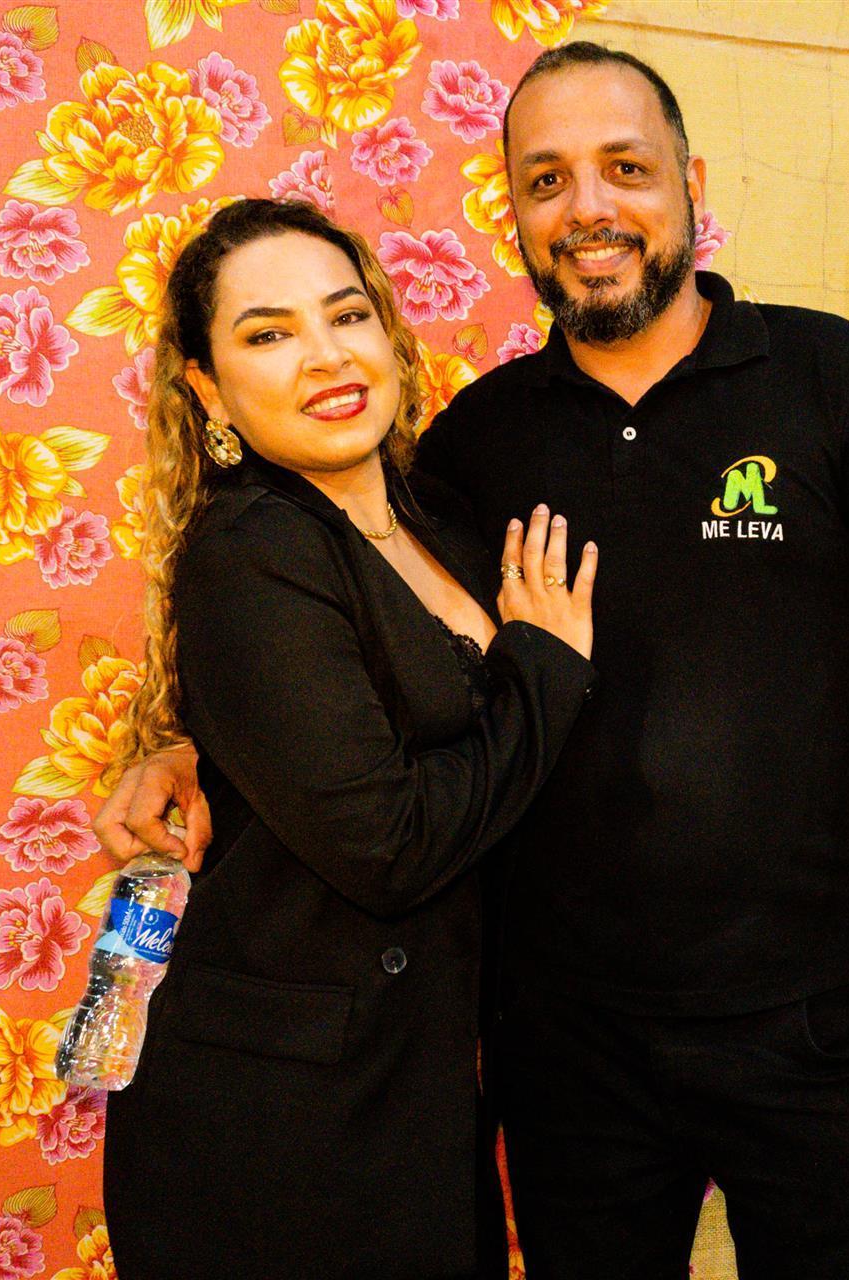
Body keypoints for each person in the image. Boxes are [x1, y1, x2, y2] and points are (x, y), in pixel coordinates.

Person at [100, 45, 849, 1279]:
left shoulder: (831, 378)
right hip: (561, 1043)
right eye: (547, 180)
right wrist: (198, 742)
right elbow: (360, 640)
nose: (588, 207)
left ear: (691, 184)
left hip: (808, 1013)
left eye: (625, 168)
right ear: (518, 219)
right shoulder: (472, 443)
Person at [96, 197, 598, 1280]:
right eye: (268, 334)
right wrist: (545, 669)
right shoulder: (251, 551)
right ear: (207, 387)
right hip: (281, 1125)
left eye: (347, 315)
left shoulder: (442, 519)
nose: (325, 356)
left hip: (417, 1086)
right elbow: (390, 844)